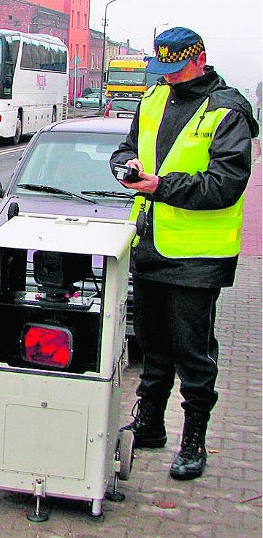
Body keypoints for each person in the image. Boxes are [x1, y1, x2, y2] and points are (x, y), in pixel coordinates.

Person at [111, 27, 259, 481]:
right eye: (163, 70)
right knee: (152, 345)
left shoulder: (228, 111)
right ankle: (151, 425)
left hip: (197, 258)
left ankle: (194, 440)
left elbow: (226, 184)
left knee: (193, 353)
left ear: (200, 60)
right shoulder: (153, 99)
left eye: (176, 70)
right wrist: (125, 167)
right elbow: (127, 149)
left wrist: (159, 186)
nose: (169, 78)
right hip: (151, 244)